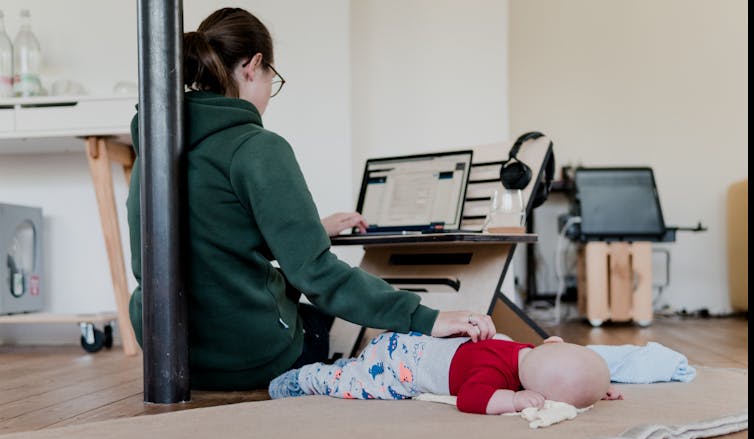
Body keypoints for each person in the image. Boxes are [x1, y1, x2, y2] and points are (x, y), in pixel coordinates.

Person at [125, 7, 495, 390]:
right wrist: (427, 317)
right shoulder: (256, 146)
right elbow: (316, 274)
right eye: (273, 78)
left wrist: (312, 229)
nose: (270, 91)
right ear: (253, 66)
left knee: (286, 288)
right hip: (244, 358)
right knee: (334, 330)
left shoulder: (157, 148)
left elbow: (214, 239)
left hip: (169, 353)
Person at [268, 335, 624, 414]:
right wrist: (513, 400)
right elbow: (470, 400)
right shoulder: (492, 373)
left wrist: (597, 388)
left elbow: (565, 369)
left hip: (402, 344)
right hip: (396, 370)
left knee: (358, 367)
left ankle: (350, 365)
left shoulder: (524, 348)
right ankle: (304, 379)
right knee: (353, 386)